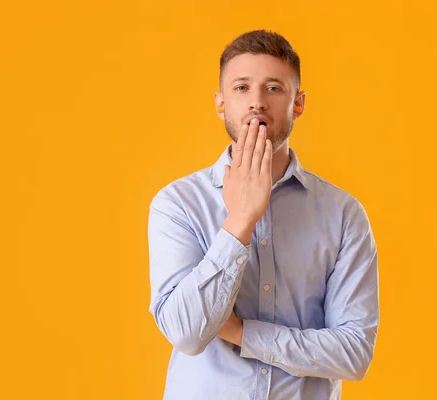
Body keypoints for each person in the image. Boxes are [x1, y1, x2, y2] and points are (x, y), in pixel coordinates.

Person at [147, 29, 379, 400]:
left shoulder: (343, 214)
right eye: (241, 88)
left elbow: (353, 354)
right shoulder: (178, 204)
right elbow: (187, 333)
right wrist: (239, 222)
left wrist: (241, 334)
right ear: (221, 104)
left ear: (297, 103)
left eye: (273, 88)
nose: (256, 102)